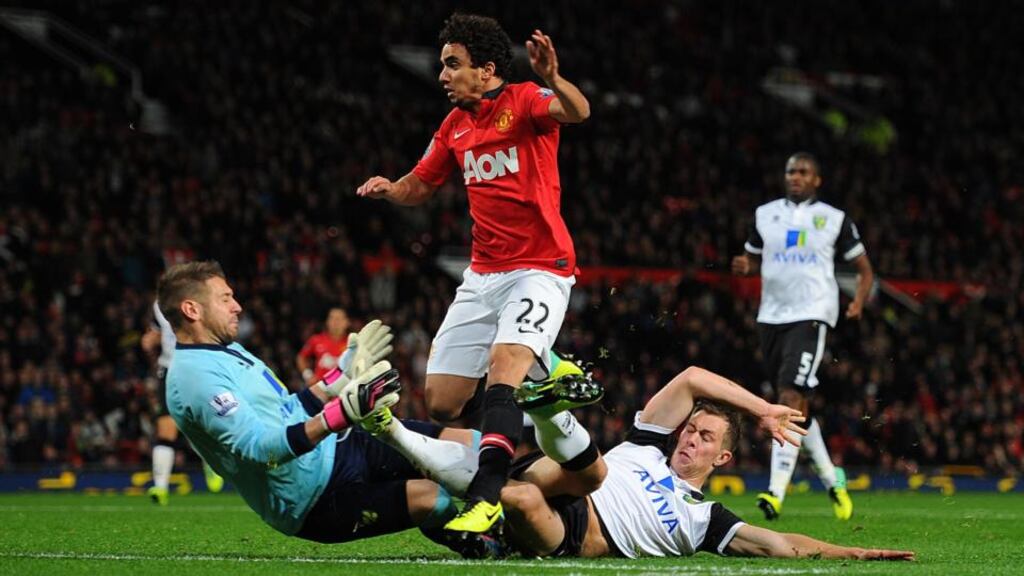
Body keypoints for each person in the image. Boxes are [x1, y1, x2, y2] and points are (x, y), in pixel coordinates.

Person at [356, 12, 591, 536]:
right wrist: (391, 188)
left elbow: (577, 111)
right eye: (442, 64)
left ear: (486, 71)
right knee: (443, 399)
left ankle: (487, 495)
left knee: (504, 363)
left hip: (539, 268)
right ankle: (550, 366)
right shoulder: (454, 126)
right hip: (483, 275)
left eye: (452, 64)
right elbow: (421, 183)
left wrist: (553, 78)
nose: (442, 74)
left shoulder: (526, 100)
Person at [376, 367, 911, 562]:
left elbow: (782, 545)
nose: (689, 440)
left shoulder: (707, 520)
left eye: (703, 439)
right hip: (567, 479)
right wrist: (764, 408)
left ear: (723, 457)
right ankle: (370, 446)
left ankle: (490, 499)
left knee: (502, 494)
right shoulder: (649, 444)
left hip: (573, 530)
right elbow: (693, 377)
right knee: (444, 476)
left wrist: (856, 551)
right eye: (690, 430)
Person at [158, 260, 471, 542]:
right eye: (225, 299)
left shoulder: (229, 350)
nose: (237, 306)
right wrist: (337, 415)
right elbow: (261, 451)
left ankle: (512, 499)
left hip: (341, 446)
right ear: (192, 310)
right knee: (434, 499)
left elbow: (289, 410)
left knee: (469, 443)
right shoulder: (195, 378)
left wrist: (340, 376)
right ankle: (484, 543)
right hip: (312, 499)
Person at [731, 152, 875, 521]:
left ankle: (775, 492)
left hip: (812, 314)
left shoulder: (834, 219)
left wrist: (858, 301)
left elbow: (864, 269)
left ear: (817, 180)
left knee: (788, 398)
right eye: (791, 170)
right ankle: (833, 482)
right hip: (771, 317)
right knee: (800, 413)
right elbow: (752, 258)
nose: (795, 176)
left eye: (803, 171)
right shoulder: (765, 215)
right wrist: (746, 266)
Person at [140, 300, 223, 505]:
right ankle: (160, 488)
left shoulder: (200, 298)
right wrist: (151, 339)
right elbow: (159, 330)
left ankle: (210, 458)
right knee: (165, 429)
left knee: (198, 424)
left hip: (196, 367)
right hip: (168, 369)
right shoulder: (160, 304)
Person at [296, 307, 350, 386]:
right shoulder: (316, 340)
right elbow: (301, 357)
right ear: (327, 322)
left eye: (338, 319)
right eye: (332, 318)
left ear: (346, 322)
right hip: (320, 389)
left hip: (344, 389)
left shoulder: (352, 343)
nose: (335, 322)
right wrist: (308, 375)